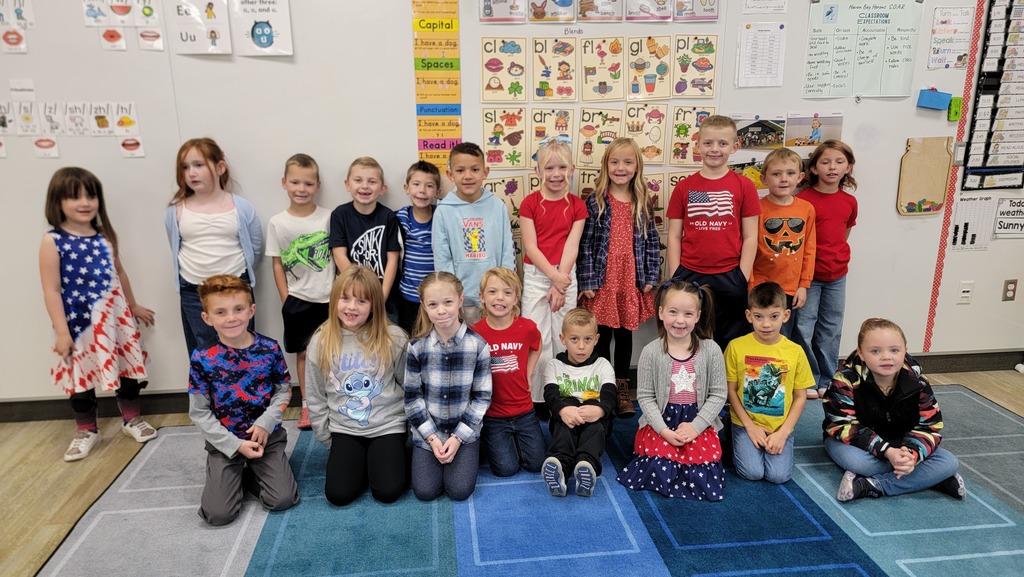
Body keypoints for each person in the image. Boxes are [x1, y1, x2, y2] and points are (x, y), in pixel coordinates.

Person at [39, 167, 158, 461]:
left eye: (90, 196)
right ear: (58, 202)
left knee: (126, 369)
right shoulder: (52, 241)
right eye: (74, 196)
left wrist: (133, 305)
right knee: (80, 378)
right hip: (79, 326)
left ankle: (131, 419)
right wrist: (63, 332)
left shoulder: (105, 236)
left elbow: (120, 273)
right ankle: (86, 430)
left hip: (116, 321)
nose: (84, 202)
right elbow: (51, 289)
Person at [187, 275, 299, 526]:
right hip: (225, 443)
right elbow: (199, 413)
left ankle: (250, 475)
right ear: (207, 318)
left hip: (265, 437)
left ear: (251, 310)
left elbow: (283, 391)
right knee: (218, 515)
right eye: (221, 312)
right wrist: (235, 445)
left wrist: (266, 422)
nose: (231, 318)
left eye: (238, 309)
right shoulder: (202, 358)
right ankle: (233, 473)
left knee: (282, 499)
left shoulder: (269, 349)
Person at [823, 318, 966, 502]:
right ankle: (930, 479)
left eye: (894, 350)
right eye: (875, 351)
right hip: (856, 445)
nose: (886, 357)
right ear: (861, 353)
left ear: (905, 350)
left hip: (901, 443)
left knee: (948, 462)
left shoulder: (918, 382)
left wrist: (912, 454)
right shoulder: (845, 380)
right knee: (859, 463)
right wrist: (888, 452)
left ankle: (872, 485)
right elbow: (842, 424)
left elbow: (930, 426)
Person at [306, 266, 409, 505]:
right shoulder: (321, 340)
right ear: (335, 300)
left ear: (374, 304)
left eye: (361, 301)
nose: (351, 307)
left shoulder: (394, 337)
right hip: (344, 428)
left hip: (387, 426)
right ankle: (360, 460)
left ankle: (385, 458)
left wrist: (409, 430)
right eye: (345, 298)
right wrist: (326, 437)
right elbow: (315, 395)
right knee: (339, 495)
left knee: (388, 492)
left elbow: (409, 387)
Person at [616, 280, 726, 500]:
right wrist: (663, 430)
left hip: (697, 421)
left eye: (687, 314)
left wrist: (695, 428)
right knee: (658, 468)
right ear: (661, 312)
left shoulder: (711, 350)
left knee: (702, 475)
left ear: (698, 316)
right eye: (673, 312)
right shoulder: (651, 352)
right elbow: (645, 398)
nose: (679, 320)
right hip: (661, 421)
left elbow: (718, 394)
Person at [578, 137, 660, 418]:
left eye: (627, 162)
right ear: (606, 165)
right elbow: (585, 244)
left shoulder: (642, 201)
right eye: (615, 162)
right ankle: (601, 389)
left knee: (625, 336)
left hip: (629, 280)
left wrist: (650, 275)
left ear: (637, 166)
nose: (621, 168)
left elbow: (651, 241)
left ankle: (622, 388)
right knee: (600, 336)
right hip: (603, 280)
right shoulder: (596, 201)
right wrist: (587, 280)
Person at [666, 115, 760, 350]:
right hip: (689, 274)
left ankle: (724, 386)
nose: (714, 149)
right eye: (708, 143)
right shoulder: (684, 187)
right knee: (688, 336)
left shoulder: (744, 186)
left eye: (722, 143)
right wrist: (676, 275)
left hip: (730, 275)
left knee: (730, 339)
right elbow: (674, 235)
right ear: (697, 145)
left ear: (734, 146)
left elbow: (750, 236)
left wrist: (742, 276)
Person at [165, 137, 263, 358]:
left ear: (220, 167)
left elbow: (255, 248)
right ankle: (209, 393)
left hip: (236, 287)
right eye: (185, 167)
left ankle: (245, 392)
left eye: (198, 165)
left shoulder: (242, 207)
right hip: (194, 290)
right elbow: (175, 246)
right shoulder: (176, 211)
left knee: (241, 344)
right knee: (204, 350)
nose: (191, 173)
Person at [405, 272, 492, 501]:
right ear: (424, 306)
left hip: (463, 432)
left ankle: (466, 453)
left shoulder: (479, 345)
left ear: (460, 300)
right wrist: (432, 438)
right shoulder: (416, 347)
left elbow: (481, 398)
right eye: (433, 304)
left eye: (448, 302)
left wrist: (457, 438)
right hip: (429, 431)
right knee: (425, 492)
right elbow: (412, 399)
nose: (441, 311)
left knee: (459, 491)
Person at [265, 153, 333, 430]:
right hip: (298, 300)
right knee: (303, 354)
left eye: (307, 183)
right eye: (295, 182)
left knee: (332, 352)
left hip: (330, 298)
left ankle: (332, 400)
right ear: (284, 183)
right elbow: (277, 263)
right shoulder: (277, 223)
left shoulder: (329, 217)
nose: (301, 189)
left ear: (317, 185)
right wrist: (286, 299)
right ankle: (307, 405)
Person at [520, 136, 588, 408]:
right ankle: (537, 397)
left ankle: (564, 395)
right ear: (538, 172)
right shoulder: (529, 203)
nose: (556, 174)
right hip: (537, 275)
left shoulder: (578, 206)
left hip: (565, 274)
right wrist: (553, 278)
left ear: (571, 170)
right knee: (537, 336)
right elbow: (531, 246)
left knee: (564, 335)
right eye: (549, 168)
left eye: (562, 168)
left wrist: (560, 283)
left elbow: (572, 246)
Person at [725, 282, 813, 484]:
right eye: (759, 317)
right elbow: (731, 391)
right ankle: (733, 435)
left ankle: (777, 439)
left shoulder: (795, 352)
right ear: (749, 316)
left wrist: (784, 432)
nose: (766, 324)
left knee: (778, 476)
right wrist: (749, 426)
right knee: (752, 472)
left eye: (774, 316)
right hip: (745, 422)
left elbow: (800, 397)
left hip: (779, 425)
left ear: (785, 315)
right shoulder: (736, 347)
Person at [793, 140, 858, 399]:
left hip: (837, 274)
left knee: (831, 327)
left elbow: (845, 233)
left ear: (848, 168)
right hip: (808, 276)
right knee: (804, 327)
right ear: (814, 168)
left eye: (839, 162)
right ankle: (808, 379)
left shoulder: (849, 201)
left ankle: (828, 379)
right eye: (825, 162)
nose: (832, 167)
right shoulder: (803, 200)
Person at [472, 267, 546, 476]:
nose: (500, 298)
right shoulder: (476, 333)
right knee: (506, 469)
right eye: (492, 292)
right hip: (493, 415)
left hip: (524, 412)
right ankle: (492, 441)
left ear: (516, 298)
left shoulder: (527, 327)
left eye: (507, 292)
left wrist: (528, 372)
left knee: (536, 464)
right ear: (482, 297)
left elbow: (537, 346)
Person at [432, 142, 515, 326]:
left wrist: (505, 290)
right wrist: (452, 294)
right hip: (461, 300)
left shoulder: (497, 206)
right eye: (460, 170)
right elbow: (442, 258)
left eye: (475, 169)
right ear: (450, 174)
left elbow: (507, 251)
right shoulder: (444, 211)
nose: (468, 176)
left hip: (495, 298)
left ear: (485, 172)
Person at [541, 308, 616, 498]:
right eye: (574, 339)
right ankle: (560, 468)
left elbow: (609, 396)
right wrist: (563, 410)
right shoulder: (554, 365)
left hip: (594, 419)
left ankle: (586, 466)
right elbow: (550, 395)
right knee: (564, 420)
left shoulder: (603, 365)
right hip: (566, 419)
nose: (581, 346)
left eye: (587, 339)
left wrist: (599, 410)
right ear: (563, 338)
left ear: (596, 339)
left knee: (595, 429)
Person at [748, 148, 816, 338]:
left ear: (800, 176)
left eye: (790, 173)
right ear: (764, 179)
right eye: (776, 174)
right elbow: (749, 248)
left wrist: (804, 285)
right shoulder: (757, 209)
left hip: (790, 287)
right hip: (760, 284)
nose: (784, 179)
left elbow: (809, 249)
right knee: (759, 333)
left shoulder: (806, 209)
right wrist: (751, 284)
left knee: (783, 336)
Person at [329, 156, 402, 308]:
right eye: (358, 180)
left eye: (372, 181)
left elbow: (393, 259)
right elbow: (339, 255)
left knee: (386, 332)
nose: (364, 186)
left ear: (382, 188)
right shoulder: (340, 215)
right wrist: (360, 293)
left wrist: (380, 298)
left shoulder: (388, 216)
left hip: (385, 297)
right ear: (347, 184)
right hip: (352, 296)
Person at [396, 161, 441, 334]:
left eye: (429, 186)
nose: (422, 190)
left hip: (436, 297)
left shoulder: (441, 216)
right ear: (407, 188)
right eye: (416, 184)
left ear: (437, 192)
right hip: (408, 296)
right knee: (411, 341)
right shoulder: (400, 218)